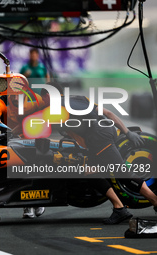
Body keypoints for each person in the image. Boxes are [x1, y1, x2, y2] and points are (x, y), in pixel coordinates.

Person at [40, 82, 157, 224]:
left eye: (43, 99)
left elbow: (76, 136)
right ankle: (120, 209)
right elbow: (108, 113)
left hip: (97, 138)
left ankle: (154, 200)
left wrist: (89, 148)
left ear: (47, 96)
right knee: (89, 171)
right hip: (108, 131)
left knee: (123, 173)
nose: (43, 103)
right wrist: (127, 132)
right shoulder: (80, 99)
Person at [0, 91, 48, 219]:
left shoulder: (35, 99)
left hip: (34, 138)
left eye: (17, 95)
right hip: (13, 141)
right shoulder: (1, 102)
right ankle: (28, 205)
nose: (14, 98)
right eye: (11, 95)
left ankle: (38, 201)